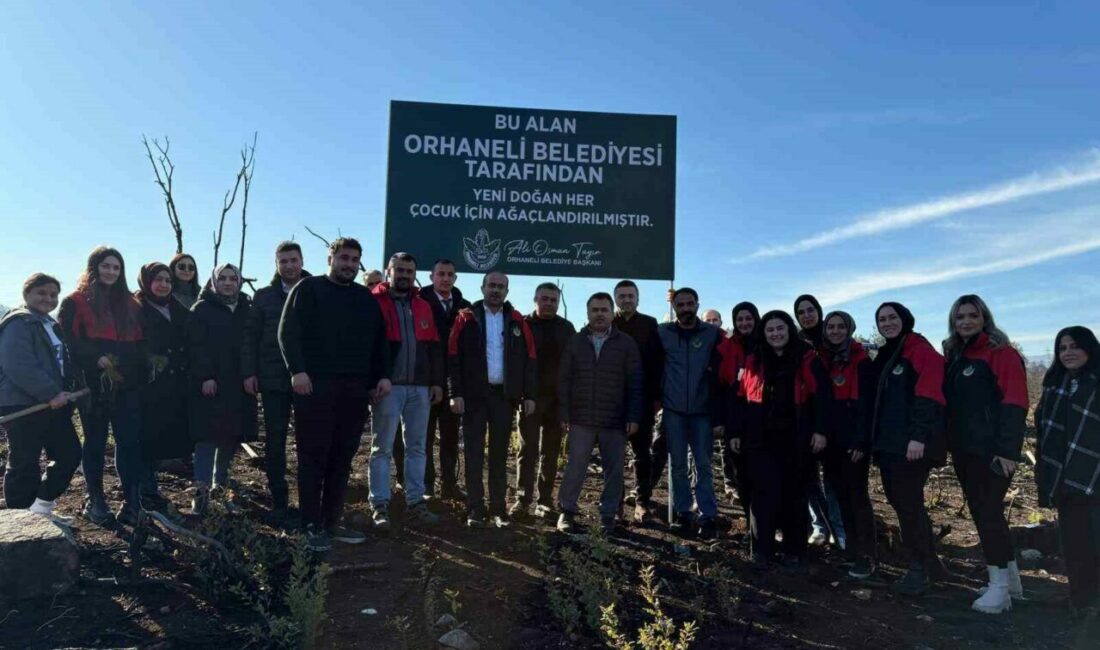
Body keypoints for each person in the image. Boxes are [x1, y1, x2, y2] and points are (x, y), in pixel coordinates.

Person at [279, 237, 392, 552]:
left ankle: (331, 521)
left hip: (354, 390)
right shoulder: (308, 289)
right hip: (315, 386)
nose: (349, 265)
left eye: (355, 259)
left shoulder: (364, 298)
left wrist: (381, 375)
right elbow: (287, 332)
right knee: (313, 457)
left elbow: (378, 340)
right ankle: (309, 525)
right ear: (330, 258)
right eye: (344, 258)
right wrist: (296, 370)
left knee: (342, 458)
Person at [943, 295, 1027, 613]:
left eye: (972, 316)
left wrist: (1008, 451)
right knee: (984, 514)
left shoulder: (1001, 354)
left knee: (989, 514)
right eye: (959, 317)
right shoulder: (957, 356)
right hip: (965, 451)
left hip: (993, 452)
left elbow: (1016, 402)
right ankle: (1012, 584)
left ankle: (998, 590)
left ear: (984, 318)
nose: (965, 321)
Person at [59, 246, 145, 527]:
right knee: (95, 441)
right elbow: (68, 342)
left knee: (128, 441)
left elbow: (140, 342)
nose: (111, 271)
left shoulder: (131, 303)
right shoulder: (75, 301)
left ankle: (133, 501)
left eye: (116, 267)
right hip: (93, 385)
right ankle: (96, 500)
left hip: (127, 383)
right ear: (94, 268)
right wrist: (93, 358)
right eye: (106, 266)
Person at [869, 302, 947, 596]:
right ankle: (931, 564)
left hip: (911, 446)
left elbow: (929, 395)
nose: (887, 323)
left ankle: (919, 569)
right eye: (882, 319)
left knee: (908, 505)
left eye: (892, 318)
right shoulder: (891, 351)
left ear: (905, 319)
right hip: (889, 443)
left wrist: (918, 437)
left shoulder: (919, 350)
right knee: (905, 504)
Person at [731, 310, 820, 570]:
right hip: (759, 439)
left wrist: (820, 431)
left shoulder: (806, 356)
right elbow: (740, 398)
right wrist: (735, 432)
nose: (775, 334)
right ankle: (762, 549)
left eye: (780, 328)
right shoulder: (753, 358)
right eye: (770, 330)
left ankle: (795, 551)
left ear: (789, 330)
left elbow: (820, 397)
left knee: (794, 494)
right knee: (761, 495)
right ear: (764, 333)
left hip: (796, 438)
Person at [448, 271, 536, 529]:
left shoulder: (518, 320)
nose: (496, 290)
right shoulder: (466, 317)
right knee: (474, 453)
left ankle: (498, 509)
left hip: (503, 397)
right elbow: (452, 357)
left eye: (501, 287)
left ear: (507, 291)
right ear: (483, 287)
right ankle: (475, 507)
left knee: (499, 455)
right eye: (492, 285)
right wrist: (456, 393)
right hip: (474, 396)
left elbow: (530, 360)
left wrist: (529, 394)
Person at [369, 252, 444, 528]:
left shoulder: (423, 305)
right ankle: (379, 504)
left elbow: (434, 347)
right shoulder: (374, 302)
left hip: (420, 388)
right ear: (388, 271)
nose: (404, 275)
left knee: (417, 447)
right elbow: (370, 347)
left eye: (409, 271)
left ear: (415, 274)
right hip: (388, 387)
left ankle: (415, 501)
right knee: (382, 448)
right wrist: (376, 378)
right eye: (398, 270)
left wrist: (436, 382)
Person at [556, 292, 642, 534]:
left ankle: (608, 516)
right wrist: (564, 413)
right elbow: (564, 380)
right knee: (575, 467)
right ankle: (567, 512)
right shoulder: (575, 341)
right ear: (587, 313)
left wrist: (633, 416)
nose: (600, 314)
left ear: (612, 313)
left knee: (614, 470)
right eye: (595, 310)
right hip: (581, 417)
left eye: (604, 309)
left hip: (614, 420)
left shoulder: (626, 344)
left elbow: (635, 382)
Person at [0, 273, 82, 524]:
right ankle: (19, 523)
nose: (48, 298)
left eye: (53, 294)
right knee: (24, 462)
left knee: (68, 453)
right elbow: (19, 365)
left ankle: (41, 507)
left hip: (52, 403)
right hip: (24, 403)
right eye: (42, 293)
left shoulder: (49, 323)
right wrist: (50, 392)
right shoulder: (18, 323)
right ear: (27, 294)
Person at [242, 241, 308, 528]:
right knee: (275, 440)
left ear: (302, 260)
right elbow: (250, 337)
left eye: (293, 260)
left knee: (309, 441)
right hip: (272, 379)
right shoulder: (264, 297)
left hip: (308, 379)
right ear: (276, 264)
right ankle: (279, 500)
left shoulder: (314, 291)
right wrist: (249, 372)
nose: (289, 266)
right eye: (283, 261)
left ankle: (309, 501)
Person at [1036, 326, 1100, 617]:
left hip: (1095, 476)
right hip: (1064, 477)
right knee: (1073, 543)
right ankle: (1080, 598)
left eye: (1075, 346)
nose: (1068, 352)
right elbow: (1044, 431)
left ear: (1089, 348)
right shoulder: (1054, 386)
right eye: (1062, 348)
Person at [810, 311, 877, 579]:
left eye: (841, 327)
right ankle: (851, 550)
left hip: (853, 441)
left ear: (849, 329)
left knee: (857, 497)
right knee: (839, 495)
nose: (835, 331)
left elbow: (866, 405)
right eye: (831, 326)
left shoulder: (861, 361)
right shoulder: (824, 359)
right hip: (831, 440)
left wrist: (862, 440)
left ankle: (868, 556)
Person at [187, 263, 257, 516]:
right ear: (214, 281)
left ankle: (221, 485)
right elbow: (196, 346)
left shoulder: (246, 308)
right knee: (207, 438)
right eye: (223, 278)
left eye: (233, 278)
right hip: (211, 384)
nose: (228, 283)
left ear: (239, 281)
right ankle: (201, 494)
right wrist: (205, 376)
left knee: (230, 436)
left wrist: (251, 374)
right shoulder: (201, 309)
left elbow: (252, 342)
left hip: (238, 383)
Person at [657, 287, 725, 539]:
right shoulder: (663, 333)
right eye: (680, 304)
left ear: (697, 304)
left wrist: (719, 414)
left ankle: (708, 515)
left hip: (702, 411)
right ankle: (683, 513)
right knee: (676, 465)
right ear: (674, 307)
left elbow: (722, 372)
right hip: (673, 409)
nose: (685, 308)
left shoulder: (712, 334)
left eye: (689, 304)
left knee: (703, 464)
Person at [511, 282, 576, 521]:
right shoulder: (522, 325)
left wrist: (567, 403)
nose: (549, 303)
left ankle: (544, 500)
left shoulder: (566, 328)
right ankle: (522, 499)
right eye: (544, 299)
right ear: (535, 299)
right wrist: (520, 395)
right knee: (526, 450)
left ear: (558, 302)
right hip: (529, 399)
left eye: (553, 300)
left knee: (550, 452)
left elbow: (573, 366)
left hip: (557, 401)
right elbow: (515, 362)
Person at [134, 262, 192, 514]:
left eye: (167, 280)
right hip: (148, 385)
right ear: (146, 281)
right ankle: (144, 491)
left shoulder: (177, 308)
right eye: (158, 279)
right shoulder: (136, 309)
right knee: (146, 438)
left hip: (176, 384)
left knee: (168, 437)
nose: (163, 284)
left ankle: (150, 489)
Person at [416, 259, 471, 500]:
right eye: (441, 274)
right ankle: (426, 485)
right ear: (432, 277)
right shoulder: (419, 302)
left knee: (450, 438)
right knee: (423, 439)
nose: (446, 279)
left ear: (455, 278)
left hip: (453, 383)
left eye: (450, 274)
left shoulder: (464, 307)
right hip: (425, 380)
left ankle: (449, 484)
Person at [795, 293, 846, 549]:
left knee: (834, 479)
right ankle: (819, 526)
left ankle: (839, 529)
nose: (806, 315)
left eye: (810, 310)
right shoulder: (797, 344)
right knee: (809, 478)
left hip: (835, 419)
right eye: (801, 312)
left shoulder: (834, 340)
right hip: (806, 420)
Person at [612, 280, 663, 525]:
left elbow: (656, 364)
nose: (626, 300)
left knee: (642, 454)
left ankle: (642, 501)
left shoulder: (650, 324)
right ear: (615, 299)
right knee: (614, 454)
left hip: (641, 400)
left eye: (630, 295)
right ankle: (615, 504)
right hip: (611, 400)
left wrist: (656, 398)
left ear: (638, 298)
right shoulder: (607, 322)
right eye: (621, 296)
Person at [720, 302, 758, 509]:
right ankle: (752, 525)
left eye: (749, 318)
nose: (744, 323)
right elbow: (722, 388)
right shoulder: (726, 347)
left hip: (764, 421)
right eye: (740, 319)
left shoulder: (765, 344)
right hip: (736, 420)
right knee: (741, 476)